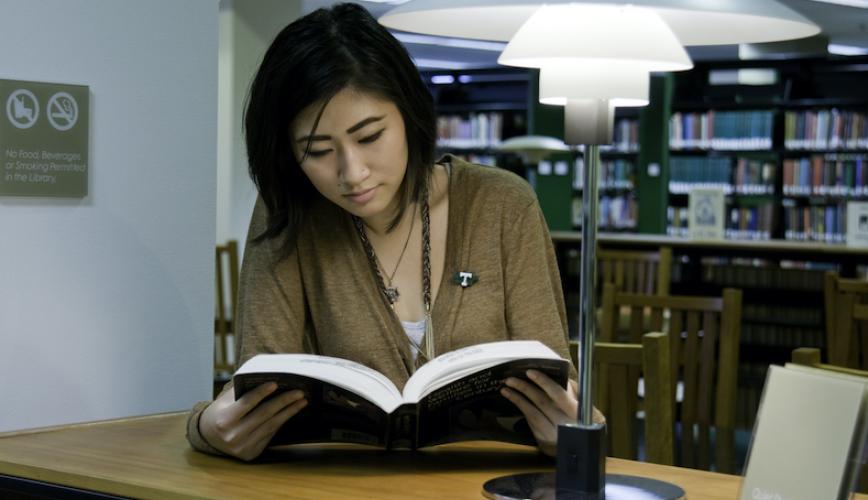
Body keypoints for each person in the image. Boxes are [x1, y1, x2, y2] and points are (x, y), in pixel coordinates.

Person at [187, 2, 587, 462]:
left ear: (408, 113)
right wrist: (207, 427)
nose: (352, 173)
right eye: (318, 151)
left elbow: (562, 394)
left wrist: (572, 430)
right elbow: (258, 395)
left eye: (370, 136)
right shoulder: (290, 214)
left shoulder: (502, 205)